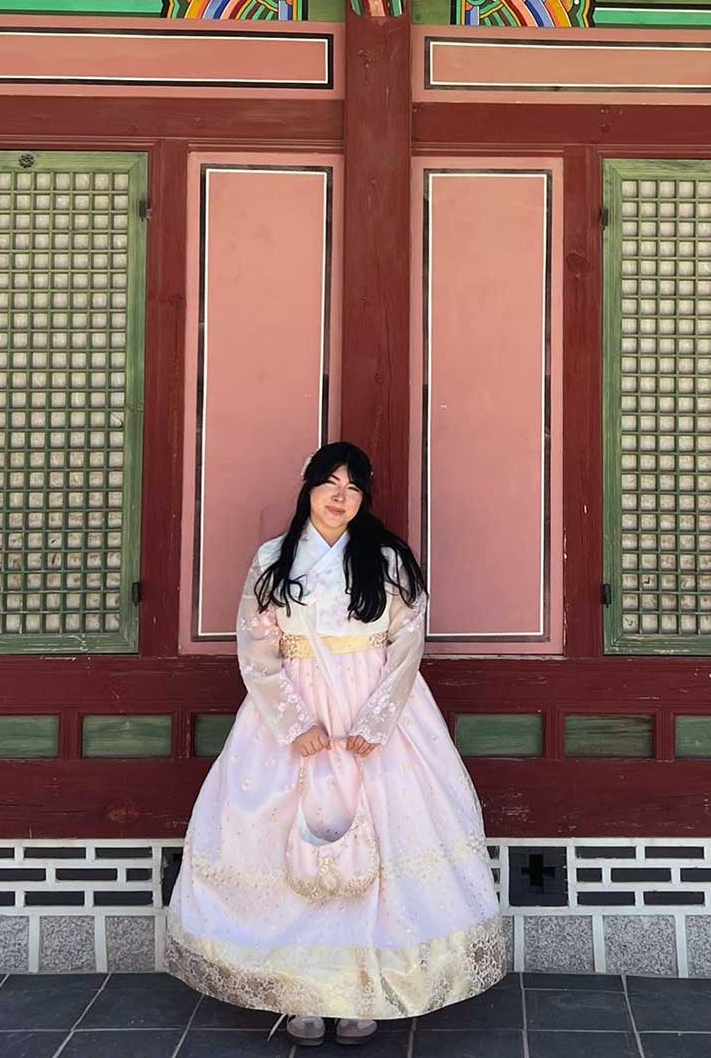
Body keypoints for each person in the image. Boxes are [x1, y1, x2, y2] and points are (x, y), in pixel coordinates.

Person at [166, 441, 507, 1046]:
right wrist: (294, 722)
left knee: (384, 846)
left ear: (364, 496)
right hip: (292, 714)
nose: (339, 495)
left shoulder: (388, 559)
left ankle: (364, 990)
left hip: (375, 713)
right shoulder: (274, 559)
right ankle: (300, 990)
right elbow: (257, 647)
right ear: (308, 487)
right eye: (329, 482)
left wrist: (377, 722)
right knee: (285, 844)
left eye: (352, 486)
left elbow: (406, 644)